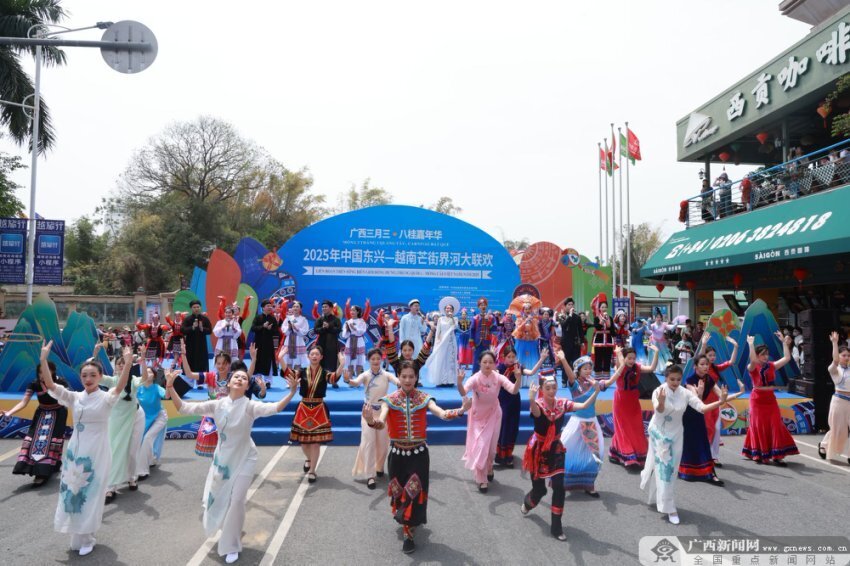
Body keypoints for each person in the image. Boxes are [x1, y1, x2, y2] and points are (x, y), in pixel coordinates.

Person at [166, 366, 298, 564]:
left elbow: (274, 408)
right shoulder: (217, 405)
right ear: (228, 383)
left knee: (237, 501)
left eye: (244, 378)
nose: (239, 379)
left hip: (246, 458)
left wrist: (292, 392)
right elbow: (184, 408)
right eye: (236, 376)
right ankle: (226, 527)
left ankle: (231, 545)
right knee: (220, 499)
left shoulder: (250, 406)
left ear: (247, 387)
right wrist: (170, 386)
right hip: (223, 460)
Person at [362, 361, 472, 554]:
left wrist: (461, 410)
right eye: (404, 376)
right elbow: (381, 423)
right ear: (398, 377)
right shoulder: (389, 400)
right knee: (399, 493)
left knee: (413, 492)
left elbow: (442, 413)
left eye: (411, 376)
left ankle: (408, 534)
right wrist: (371, 420)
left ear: (417, 378)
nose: (407, 380)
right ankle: (408, 522)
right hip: (397, 456)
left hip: (418, 456)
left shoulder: (424, 398)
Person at [41, 341, 132, 556]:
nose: (88, 379)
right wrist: (43, 359)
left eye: (92, 375)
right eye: (84, 375)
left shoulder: (107, 398)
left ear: (100, 376)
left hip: (97, 453)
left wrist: (128, 363)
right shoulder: (75, 398)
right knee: (72, 492)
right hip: (75, 453)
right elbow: (51, 385)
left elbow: (120, 386)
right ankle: (77, 534)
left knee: (90, 494)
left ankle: (88, 537)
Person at [640, 365, 729, 525]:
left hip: (676, 434)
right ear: (666, 378)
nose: (675, 382)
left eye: (678, 379)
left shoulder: (685, 393)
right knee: (666, 470)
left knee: (672, 470)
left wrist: (720, 401)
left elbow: (702, 408)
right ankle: (670, 508)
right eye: (672, 379)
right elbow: (659, 411)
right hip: (659, 434)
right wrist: (661, 402)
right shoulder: (658, 391)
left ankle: (660, 494)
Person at [521, 375, 600, 541]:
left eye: (554, 388)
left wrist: (596, 392)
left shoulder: (562, 404)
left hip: (556, 448)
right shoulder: (539, 405)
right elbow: (535, 412)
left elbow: (583, 405)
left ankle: (556, 527)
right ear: (542, 390)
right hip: (538, 450)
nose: (551, 391)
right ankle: (528, 503)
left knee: (559, 486)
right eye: (547, 388)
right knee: (540, 491)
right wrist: (531, 399)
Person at [182, 342, 267, 457]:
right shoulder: (210, 376)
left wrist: (254, 359)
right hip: (213, 415)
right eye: (218, 363)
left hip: (229, 415)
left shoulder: (232, 378)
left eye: (224, 364)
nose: (221, 366)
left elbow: (247, 375)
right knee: (215, 448)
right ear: (215, 364)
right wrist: (183, 355)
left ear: (229, 365)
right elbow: (189, 374)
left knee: (228, 446)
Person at [456, 350, 522, 492]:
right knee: (481, 446)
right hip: (478, 417)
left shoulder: (498, 377)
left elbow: (513, 390)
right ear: (479, 363)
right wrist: (459, 383)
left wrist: (518, 379)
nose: (487, 365)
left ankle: (489, 466)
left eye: (490, 362)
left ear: (494, 364)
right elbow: (463, 392)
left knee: (491, 449)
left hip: (494, 414)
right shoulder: (475, 378)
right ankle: (481, 479)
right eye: (484, 362)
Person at [557, 353, 619, 497]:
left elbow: (611, 381)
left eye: (590, 368)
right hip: (576, 423)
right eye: (585, 368)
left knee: (596, 454)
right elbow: (569, 375)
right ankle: (562, 481)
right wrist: (563, 359)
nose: (588, 371)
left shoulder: (595, 383)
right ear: (578, 371)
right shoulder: (575, 385)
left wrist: (621, 364)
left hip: (591, 423)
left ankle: (589, 484)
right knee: (564, 450)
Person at [678, 355, 744, 486]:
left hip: (700, 414)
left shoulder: (709, 379)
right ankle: (686, 471)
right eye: (702, 364)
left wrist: (737, 393)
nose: (705, 367)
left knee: (703, 444)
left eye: (707, 364)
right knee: (689, 444)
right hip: (689, 415)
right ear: (695, 366)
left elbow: (722, 398)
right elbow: (696, 401)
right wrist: (700, 393)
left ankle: (710, 474)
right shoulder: (690, 380)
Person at [281, 345, 343, 483]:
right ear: (308, 356)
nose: (314, 356)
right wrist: (280, 359)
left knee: (315, 443)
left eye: (317, 354)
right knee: (303, 442)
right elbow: (288, 373)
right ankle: (309, 459)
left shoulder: (325, 372)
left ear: (321, 357)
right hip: (303, 408)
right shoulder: (302, 371)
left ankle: (312, 470)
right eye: (312, 354)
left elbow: (334, 378)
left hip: (319, 408)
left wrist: (342, 364)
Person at [4, 360, 69, 486]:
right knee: (34, 440)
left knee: (52, 441)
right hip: (42, 413)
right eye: (40, 372)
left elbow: (68, 399)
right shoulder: (34, 384)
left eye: (46, 371)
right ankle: (37, 468)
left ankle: (44, 471)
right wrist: (9, 413)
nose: (43, 375)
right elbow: (24, 402)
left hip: (58, 414)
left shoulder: (61, 382)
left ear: (52, 372)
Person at [345, 348, 400, 489]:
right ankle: (370, 475)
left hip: (383, 412)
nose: (375, 361)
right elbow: (355, 382)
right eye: (373, 359)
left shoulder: (386, 375)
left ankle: (379, 466)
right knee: (369, 442)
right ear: (368, 360)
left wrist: (404, 381)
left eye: (378, 358)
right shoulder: (365, 375)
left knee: (383, 443)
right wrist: (347, 380)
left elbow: (397, 381)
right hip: (368, 412)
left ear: (381, 359)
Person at [742, 333, 799, 465]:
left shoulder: (772, 366)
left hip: (770, 400)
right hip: (757, 400)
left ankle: (777, 455)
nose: (765, 357)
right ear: (757, 355)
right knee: (758, 426)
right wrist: (750, 344)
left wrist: (784, 343)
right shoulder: (752, 367)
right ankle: (759, 453)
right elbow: (752, 359)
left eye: (767, 354)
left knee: (776, 425)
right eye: (762, 354)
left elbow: (787, 358)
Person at [100, 344, 147, 503]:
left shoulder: (133, 380)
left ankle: (132, 478)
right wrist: (95, 353)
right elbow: (96, 376)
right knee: (114, 451)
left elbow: (145, 379)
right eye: (118, 364)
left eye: (124, 363)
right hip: (117, 420)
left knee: (132, 450)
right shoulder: (112, 381)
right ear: (115, 368)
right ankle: (110, 487)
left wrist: (143, 359)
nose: (121, 365)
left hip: (135, 417)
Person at [494, 346, 547, 467]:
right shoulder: (500, 368)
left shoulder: (517, 367)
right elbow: (492, 374)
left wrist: (542, 359)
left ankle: (508, 455)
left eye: (513, 356)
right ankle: (500, 454)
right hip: (502, 400)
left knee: (513, 427)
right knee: (503, 426)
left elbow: (531, 372)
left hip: (514, 400)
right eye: (509, 357)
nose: (511, 359)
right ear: (503, 357)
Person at [608, 345, 660, 469]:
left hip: (633, 401)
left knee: (637, 427)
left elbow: (652, 368)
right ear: (624, 358)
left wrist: (656, 352)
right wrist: (618, 354)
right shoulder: (619, 367)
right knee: (623, 428)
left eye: (633, 358)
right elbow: (621, 364)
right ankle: (628, 455)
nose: (632, 360)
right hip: (621, 401)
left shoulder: (637, 367)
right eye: (629, 358)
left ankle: (628, 452)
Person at [694, 333, 740, 463]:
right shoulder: (700, 369)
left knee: (716, 429)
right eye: (710, 355)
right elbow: (699, 357)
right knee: (706, 428)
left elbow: (731, 362)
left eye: (714, 355)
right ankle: (702, 454)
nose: (712, 357)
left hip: (716, 401)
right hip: (704, 402)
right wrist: (703, 344)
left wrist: (736, 346)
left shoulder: (715, 368)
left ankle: (713, 456)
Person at [135, 363, 169, 481]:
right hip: (145, 418)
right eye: (146, 371)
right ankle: (151, 459)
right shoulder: (138, 388)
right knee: (139, 440)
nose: (147, 373)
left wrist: (169, 382)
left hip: (159, 417)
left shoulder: (156, 388)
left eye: (150, 372)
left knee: (147, 438)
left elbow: (167, 395)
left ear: (154, 376)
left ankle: (142, 471)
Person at [820, 332, 850, 462]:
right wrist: (834, 343)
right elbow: (835, 360)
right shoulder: (834, 369)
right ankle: (824, 445)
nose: (847, 357)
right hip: (839, 402)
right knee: (838, 430)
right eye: (844, 355)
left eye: (848, 355)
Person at [383, 316, 435, 385]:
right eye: (405, 350)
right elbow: (391, 345)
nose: (407, 352)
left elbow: (426, 347)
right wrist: (390, 327)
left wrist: (432, 330)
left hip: (415, 392)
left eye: (409, 350)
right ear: (401, 351)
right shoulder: (396, 363)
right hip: (400, 392)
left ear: (413, 351)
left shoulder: (417, 363)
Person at [424, 296, 460, 387]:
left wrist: (452, 318)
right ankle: (440, 380)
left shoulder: (455, 319)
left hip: (451, 343)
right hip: (441, 343)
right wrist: (437, 342)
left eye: (450, 308)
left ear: (453, 310)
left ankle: (450, 380)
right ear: (444, 309)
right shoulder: (440, 319)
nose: (448, 310)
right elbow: (438, 332)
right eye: (447, 308)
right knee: (441, 360)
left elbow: (456, 327)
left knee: (450, 361)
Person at [252, 299, 282, 384]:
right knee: (257, 361)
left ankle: (268, 381)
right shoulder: (257, 317)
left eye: (271, 306)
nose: (270, 308)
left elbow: (276, 332)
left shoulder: (273, 319)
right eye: (268, 306)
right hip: (258, 343)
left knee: (268, 361)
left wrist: (270, 329)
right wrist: (263, 326)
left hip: (268, 344)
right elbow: (253, 328)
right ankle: (257, 380)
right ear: (263, 308)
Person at [182, 300, 213, 383]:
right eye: (194, 307)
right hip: (190, 345)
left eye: (198, 307)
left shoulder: (205, 319)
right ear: (191, 308)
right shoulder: (187, 319)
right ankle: (189, 381)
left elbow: (210, 330)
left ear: (200, 307)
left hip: (201, 345)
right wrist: (192, 327)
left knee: (202, 361)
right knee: (190, 360)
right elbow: (183, 330)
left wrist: (202, 329)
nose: (196, 309)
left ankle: (200, 382)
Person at [313, 300, 342, 382]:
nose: (324, 308)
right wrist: (323, 328)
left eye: (326, 307)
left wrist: (329, 326)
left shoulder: (336, 319)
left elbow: (338, 330)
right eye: (322, 307)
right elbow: (316, 330)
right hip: (321, 344)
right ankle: (319, 380)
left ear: (331, 308)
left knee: (333, 363)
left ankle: (334, 380)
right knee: (320, 362)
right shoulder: (319, 319)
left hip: (332, 345)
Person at [341, 300, 371, 378]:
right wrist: (347, 330)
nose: (351, 312)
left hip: (359, 342)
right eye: (351, 310)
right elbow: (344, 335)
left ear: (358, 312)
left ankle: (358, 379)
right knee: (349, 362)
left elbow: (362, 331)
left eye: (353, 310)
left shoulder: (361, 321)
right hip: (350, 342)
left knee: (359, 363)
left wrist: (355, 329)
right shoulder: (347, 322)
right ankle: (350, 378)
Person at [557, 298, 583, 382]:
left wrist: (582, 341)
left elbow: (580, 330)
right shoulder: (561, 316)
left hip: (575, 342)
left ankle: (576, 379)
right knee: (566, 361)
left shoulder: (577, 317)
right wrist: (570, 315)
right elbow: (564, 326)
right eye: (569, 305)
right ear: (565, 306)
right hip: (566, 342)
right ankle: (564, 380)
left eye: (572, 304)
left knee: (576, 361)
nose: (571, 306)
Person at [470, 298, 498, 373]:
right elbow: (472, 331)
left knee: (487, 359)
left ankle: (486, 374)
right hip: (477, 343)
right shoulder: (475, 318)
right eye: (481, 305)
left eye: (484, 305)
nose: (483, 306)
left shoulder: (491, 317)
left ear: (486, 306)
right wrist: (472, 344)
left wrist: (489, 320)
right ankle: (475, 375)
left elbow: (494, 329)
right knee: (476, 359)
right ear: (478, 307)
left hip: (487, 342)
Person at [512, 300, 541, 371]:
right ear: (523, 310)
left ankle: (531, 373)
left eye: (529, 309)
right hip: (521, 342)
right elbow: (518, 329)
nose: (527, 311)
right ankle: (519, 373)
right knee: (520, 358)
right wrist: (525, 321)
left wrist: (532, 322)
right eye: (526, 309)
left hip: (531, 341)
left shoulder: (534, 319)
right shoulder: (519, 319)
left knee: (531, 357)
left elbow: (536, 331)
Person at [591, 294, 614, 376]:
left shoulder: (610, 318)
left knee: (607, 358)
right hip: (599, 340)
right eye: (602, 307)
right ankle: (598, 375)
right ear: (599, 308)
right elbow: (597, 327)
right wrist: (602, 320)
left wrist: (607, 320)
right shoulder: (596, 318)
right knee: (598, 358)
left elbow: (611, 328)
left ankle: (606, 375)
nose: (604, 308)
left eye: (605, 307)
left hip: (608, 340)